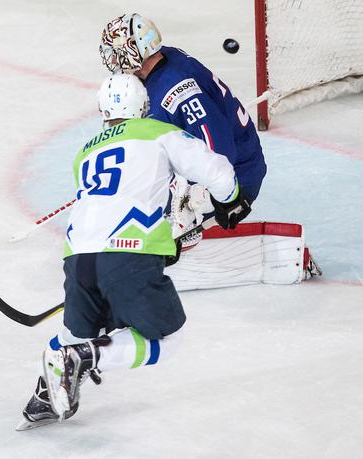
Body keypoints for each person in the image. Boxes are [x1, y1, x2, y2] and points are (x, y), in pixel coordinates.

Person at [17, 73, 249, 431]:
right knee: (167, 337)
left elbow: (114, 201)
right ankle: (84, 357)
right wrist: (231, 200)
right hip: (127, 251)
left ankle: (44, 397)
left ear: (103, 109)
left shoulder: (85, 151)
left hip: (77, 255)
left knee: (74, 332)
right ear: (144, 106)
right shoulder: (157, 131)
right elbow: (217, 171)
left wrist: (158, 248)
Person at [99, 13, 266, 241]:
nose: (114, 61)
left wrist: (219, 197)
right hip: (220, 162)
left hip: (238, 174)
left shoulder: (178, 89)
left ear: (135, 50)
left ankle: (182, 235)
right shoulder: (165, 58)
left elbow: (218, 145)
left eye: (117, 53)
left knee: (148, 223)